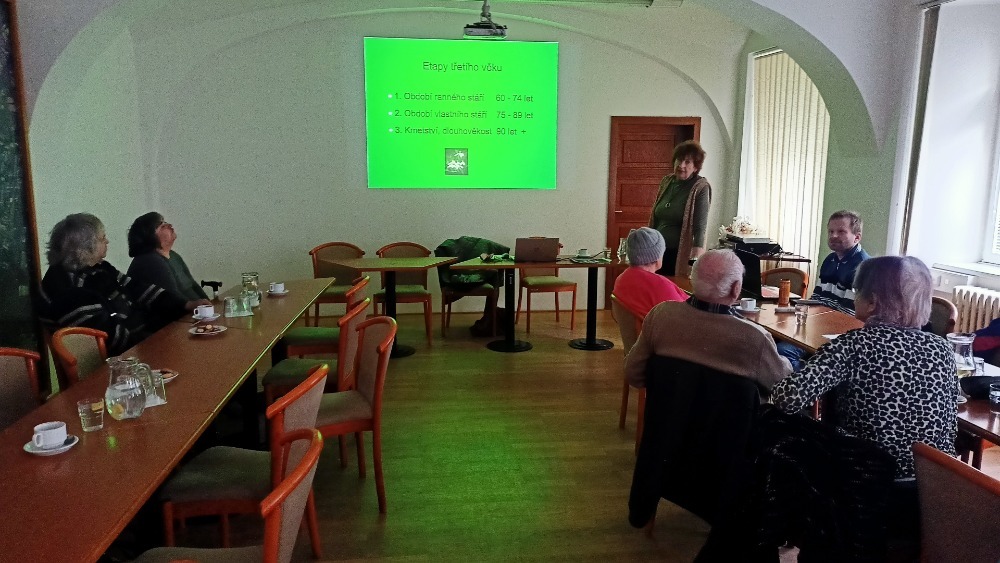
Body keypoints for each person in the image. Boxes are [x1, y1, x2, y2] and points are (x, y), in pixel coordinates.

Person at [771, 256, 957, 543]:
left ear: (872, 302)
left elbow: (787, 399)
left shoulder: (854, 345)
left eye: (857, 292)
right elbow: (949, 424)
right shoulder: (943, 351)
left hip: (867, 487)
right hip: (930, 490)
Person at [38, 213, 207, 356]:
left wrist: (185, 304)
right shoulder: (66, 289)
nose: (107, 242)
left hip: (139, 343)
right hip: (117, 363)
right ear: (85, 247)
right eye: (102, 238)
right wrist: (156, 344)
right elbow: (108, 340)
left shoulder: (98, 268)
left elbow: (137, 288)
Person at [624, 249, 792, 392]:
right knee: (790, 352)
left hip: (669, 418)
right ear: (736, 289)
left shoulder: (660, 315)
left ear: (692, 280)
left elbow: (633, 374)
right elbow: (783, 389)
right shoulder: (755, 339)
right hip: (733, 421)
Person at [648, 140, 711, 277]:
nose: (681, 165)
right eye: (679, 160)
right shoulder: (667, 181)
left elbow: (700, 225)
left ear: (696, 167)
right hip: (656, 250)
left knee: (674, 286)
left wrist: (696, 255)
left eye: (687, 162)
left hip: (678, 253)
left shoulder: (700, 187)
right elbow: (657, 216)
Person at [126, 212, 209, 302]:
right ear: (150, 236)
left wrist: (209, 304)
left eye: (165, 222)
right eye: (162, 226)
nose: (169, 225)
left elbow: (193, 284)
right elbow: (175, 300)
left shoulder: (173, 255)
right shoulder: (149, 261)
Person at [612, 227, 688, 318]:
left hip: (640, 327)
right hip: (661, 327)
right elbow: (684, 317)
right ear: (656, 257)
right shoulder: (660, 285)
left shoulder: (621, 279)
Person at [812, 210, 871, 314]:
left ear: (857, 237)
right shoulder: (829, 260)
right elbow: (816, 299)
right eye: (831, 231)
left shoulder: (864, 267)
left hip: (843, 322)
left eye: (841, 231)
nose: (833, 236)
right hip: (823, 318)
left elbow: (850, 313)